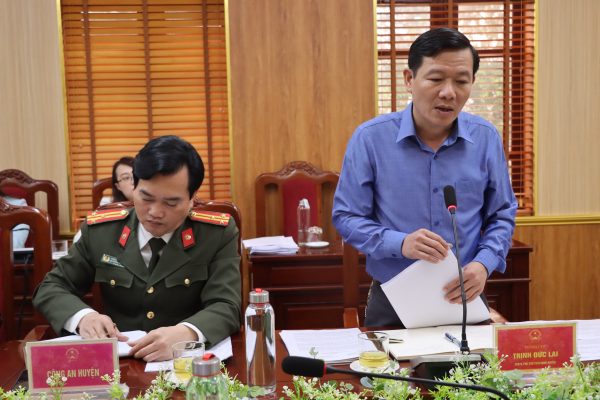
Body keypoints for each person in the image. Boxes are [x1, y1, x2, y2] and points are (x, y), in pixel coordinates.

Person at [332, 28, 517, 327]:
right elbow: (346, 216)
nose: (449, 92)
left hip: (466, 296)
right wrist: (400, 243)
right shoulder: (371, 139)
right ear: (409, 79)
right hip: (393, 302)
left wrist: (484, 264)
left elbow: (502, 214)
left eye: (461, 81)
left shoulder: (485, 138)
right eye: (436, 79)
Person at [33, 135, 242, 361]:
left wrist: (188, 333)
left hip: (187, 363)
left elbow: (227, 304)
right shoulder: (101, 232)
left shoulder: (215, 234)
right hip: (120, 365)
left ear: (192, 198)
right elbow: (51, 287)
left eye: (171, 203)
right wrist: (84, 317)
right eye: (146, 198)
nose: (155, 212)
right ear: (134, 187)